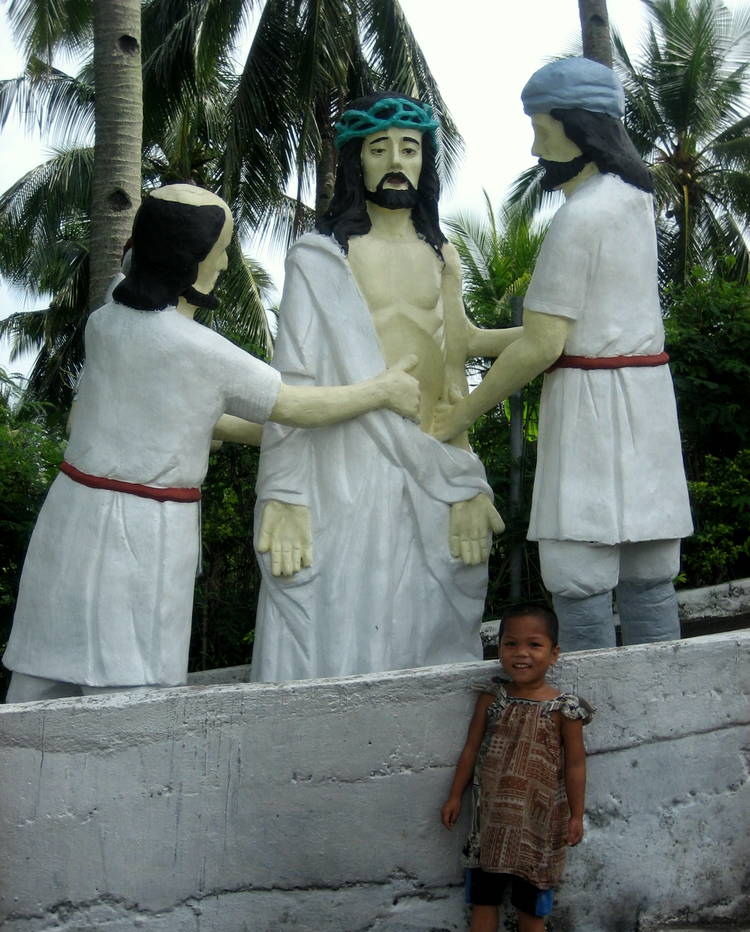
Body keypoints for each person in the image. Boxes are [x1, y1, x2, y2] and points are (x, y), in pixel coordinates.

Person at [3, 184, 420, 703]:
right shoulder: (199, 351)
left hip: (71, 510)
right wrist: (383, 390)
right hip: (145, 529)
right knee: (134, 685)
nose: (224, 266)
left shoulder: (108, 316)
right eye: (220, 253)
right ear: (191, 259)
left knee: (39, 674)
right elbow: (297, 407)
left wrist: (225, 430)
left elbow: (173, 409)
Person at [433, 58, 693, 653]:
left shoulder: (581, 217)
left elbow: (546, 345)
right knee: (651, 573)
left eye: (541, 129)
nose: (534, 147)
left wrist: (459, 415)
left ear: (577, 128)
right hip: (644, 400)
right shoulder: (632, 201)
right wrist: (476, 341)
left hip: (591, 413)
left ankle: (586, 722)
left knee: (580, 577)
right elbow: (588, 329)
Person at [251, 93, 507, 682]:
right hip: (336, 465)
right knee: (331, 622)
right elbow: (294, 380)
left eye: (410, 148)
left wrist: (464, 480)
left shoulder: (443, 257)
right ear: (355, 163)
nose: (395, 159)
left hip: (426, 462)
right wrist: (286, 494)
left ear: (426, 162)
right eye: (378, 148)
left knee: (426, 628)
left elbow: (453, 370)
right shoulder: (319, 258)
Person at [441, 604, 593, 932]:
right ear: (500, 649)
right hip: (490, 823)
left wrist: (577, 815)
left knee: (532, 907)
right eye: (511, 644)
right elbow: (471, 749)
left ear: (554, 653)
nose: (521, 653)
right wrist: (455, 794)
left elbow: (575, 766)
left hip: (538, 828)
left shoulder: (565, 709)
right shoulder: (492, 697)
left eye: (534, 644)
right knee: (483, 901)